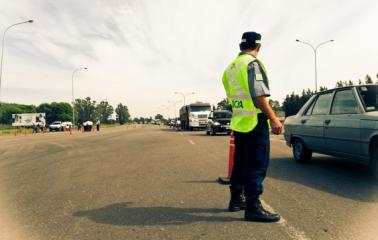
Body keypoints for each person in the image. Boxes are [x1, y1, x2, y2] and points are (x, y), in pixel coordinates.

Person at [222, 31, 283, 222]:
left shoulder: (230, 68)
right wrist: (273, 118)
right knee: (257, 163)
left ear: (240, 46)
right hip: (255, 122)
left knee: (240, 162)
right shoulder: (252, 64)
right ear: (259, 46)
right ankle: (253, 206)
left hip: (239, 122)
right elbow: (258, 97)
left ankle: (236, 199)